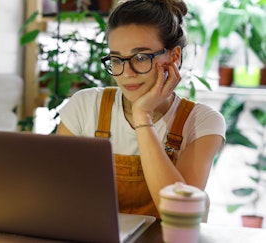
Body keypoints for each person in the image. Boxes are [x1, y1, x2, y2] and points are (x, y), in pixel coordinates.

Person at [56, 0, 226, 219]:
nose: (126, 72)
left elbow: (181, 214)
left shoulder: (202, 122)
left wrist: (142, 116)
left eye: (141, 57)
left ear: (173, 56)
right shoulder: (85, 106)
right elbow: (57, 194)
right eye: (117, 59)